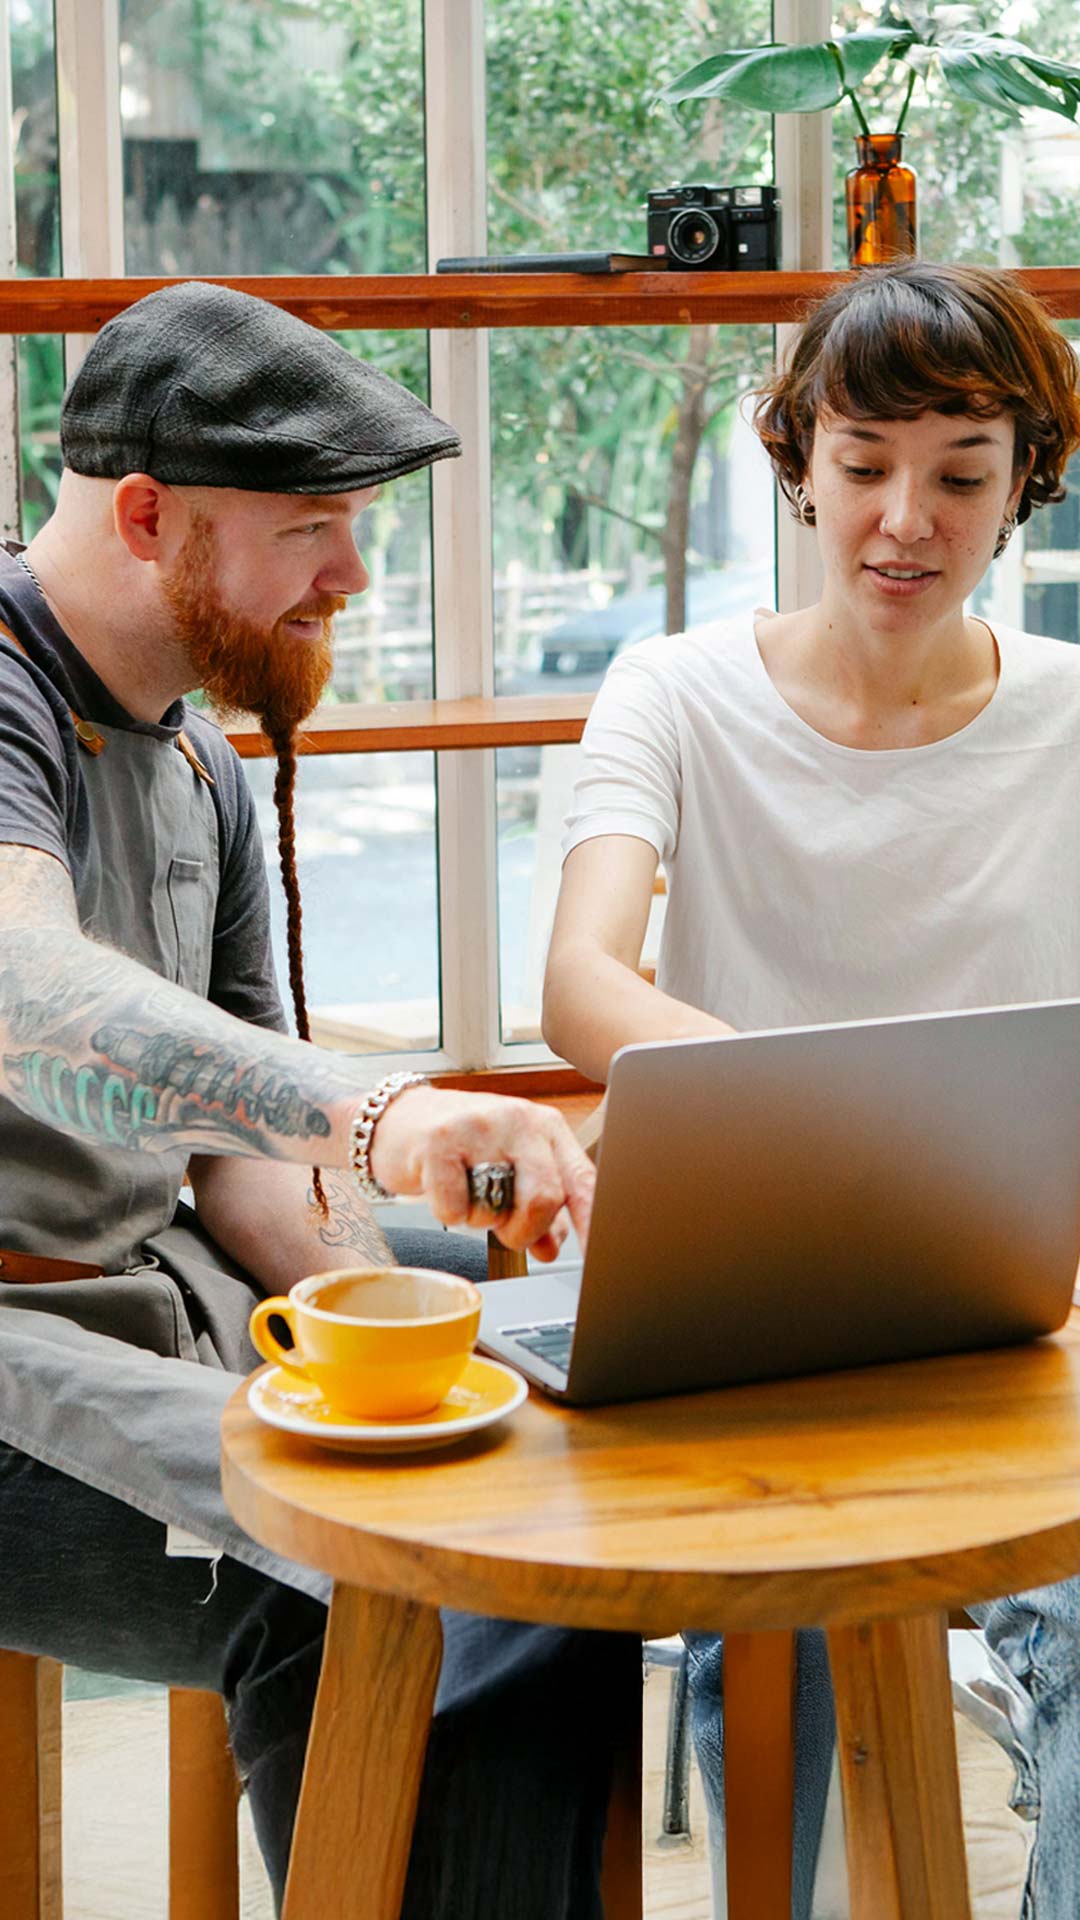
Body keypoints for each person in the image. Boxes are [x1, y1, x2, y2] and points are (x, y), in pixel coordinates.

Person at [0, 279, 639, 1918]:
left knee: (560, 1499)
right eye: (316, 527)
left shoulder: (200, 758)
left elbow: (249, 1168)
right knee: (366, 1575)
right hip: (14, 1358)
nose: (355, 575)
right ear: (146, 516)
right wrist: (384, 1112)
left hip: (167, 1300)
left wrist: (396, 1309)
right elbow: (29, 1000)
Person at [542, 258, 1080, 1918]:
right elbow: (579, 988)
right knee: (770, 1649)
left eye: (961, 476)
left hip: (1036, 1326)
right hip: (764, 1334)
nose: (904, 519)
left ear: (1024, 489)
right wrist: (838, 1107)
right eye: (861, 466)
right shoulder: (678, 693)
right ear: (797, 464)